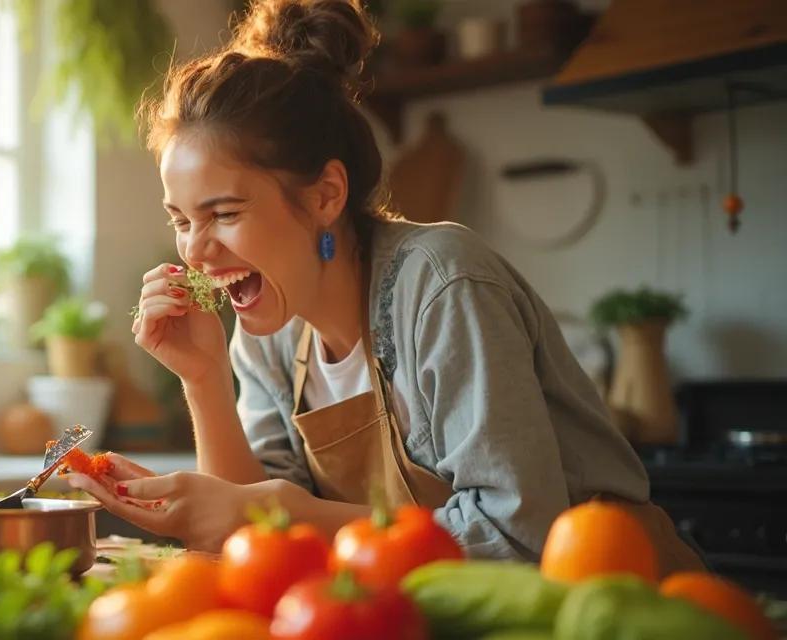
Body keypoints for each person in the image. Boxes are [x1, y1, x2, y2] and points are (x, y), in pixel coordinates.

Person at [66, 0, 702, 574]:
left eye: (224, 214)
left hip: (618, 597)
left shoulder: (443, 284)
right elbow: (255, 543)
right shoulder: (267, 329)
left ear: (325, 195)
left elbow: (517, 536)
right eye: (182, 220)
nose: (195, 250)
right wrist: (203, 380)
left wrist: (291, 512)